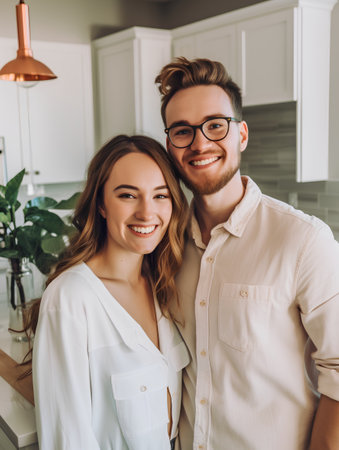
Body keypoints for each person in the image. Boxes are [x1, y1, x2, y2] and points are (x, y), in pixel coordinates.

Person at [155, 57, 339, 450]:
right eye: (183, 132)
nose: (200, 143)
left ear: (241, 134)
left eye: (215, 125)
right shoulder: (165, 246)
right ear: (170, 147)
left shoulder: (303, 240)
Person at [31, 134, 190, 450]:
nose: (147, 213)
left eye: (160, 196)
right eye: (128, 195)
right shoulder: (70, 299)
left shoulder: (165, 284)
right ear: (101, 204)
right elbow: (67, 439)